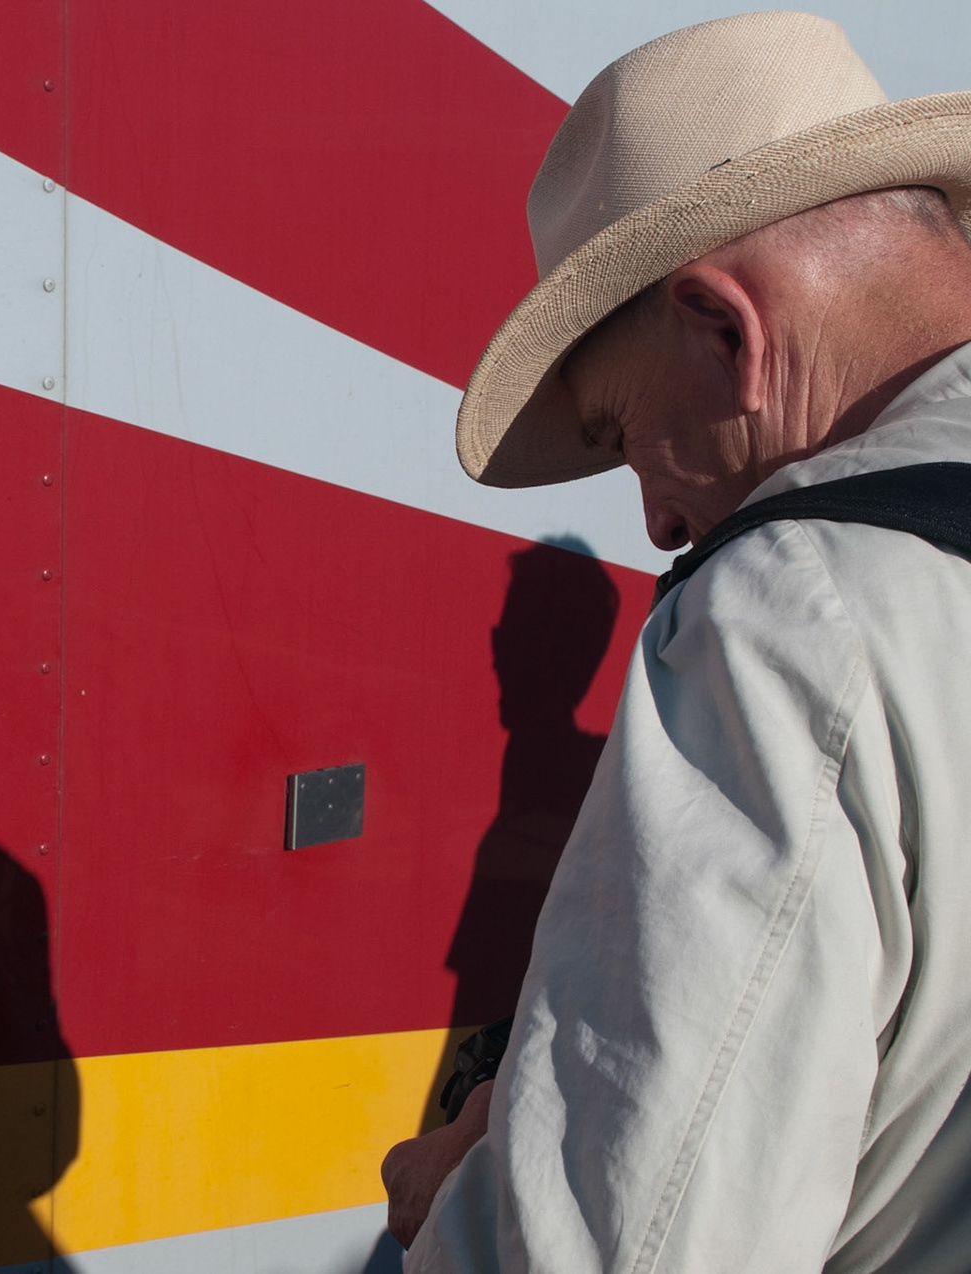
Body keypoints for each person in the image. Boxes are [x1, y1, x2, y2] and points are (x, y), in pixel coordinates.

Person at [380, 13, 971, 1270]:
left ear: (722, 331)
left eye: (619, 429)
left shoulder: (787, 619)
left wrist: (459, 1198)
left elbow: (625, 1243)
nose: (654, 515)